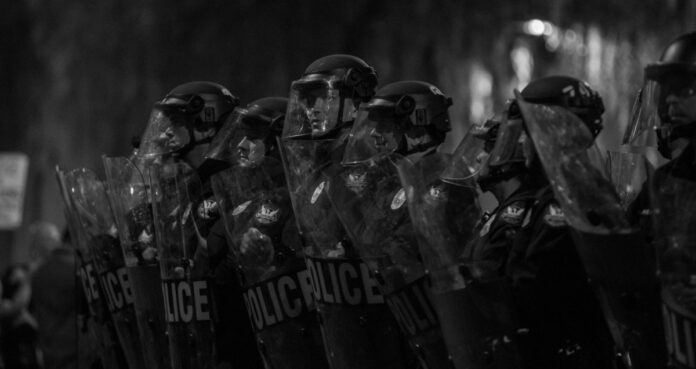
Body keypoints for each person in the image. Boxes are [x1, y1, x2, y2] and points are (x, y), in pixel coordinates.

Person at [281, 55, 420, 369]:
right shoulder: (323, 164)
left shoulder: (374, 161)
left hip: (377, 328)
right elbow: (295, 231)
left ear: (356, 101)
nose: (311, 109)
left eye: (322, 98)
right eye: (308, 100)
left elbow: (386, 237)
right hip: (338, 327)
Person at [487, 75, 616, 368]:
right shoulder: (561, 188)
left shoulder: (570, 193)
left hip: (565, 351)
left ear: (555, 131)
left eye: (529, 132)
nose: (522, 143)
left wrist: (491, 307)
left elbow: (537, 276)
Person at [624, 31, 696, 368]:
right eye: (668, 92)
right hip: (665, 343)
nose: (670, 103)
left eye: (686, 91)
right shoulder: (664, 181)